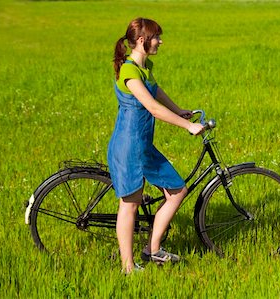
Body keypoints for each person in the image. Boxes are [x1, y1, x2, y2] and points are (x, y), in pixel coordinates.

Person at [108, 17, 204, 274]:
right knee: (130, 204)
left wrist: (180, 110)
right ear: (142, 41)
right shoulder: (129, 71)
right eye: (157, 37)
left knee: (177, 190)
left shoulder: (144, 66)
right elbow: (151, 106)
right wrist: (188, 127)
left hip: (143, 145)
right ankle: (128, 267)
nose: (160, 41)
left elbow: (155, 90)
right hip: (129, 146)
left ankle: (153, 249)